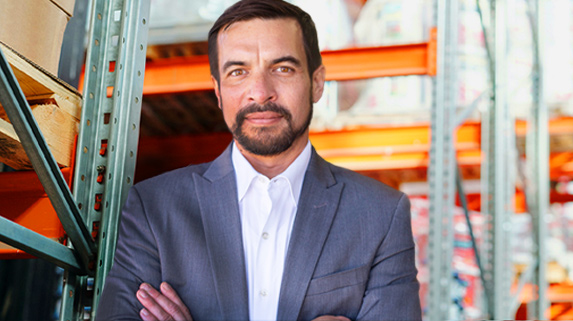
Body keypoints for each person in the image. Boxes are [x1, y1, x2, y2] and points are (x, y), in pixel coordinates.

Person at [96, 0, 421, 320]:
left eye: (282, 68)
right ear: (219, 91)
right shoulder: (155, 207)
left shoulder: (380, 214)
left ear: (316, 83)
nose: (260, 91)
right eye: (238, 71)